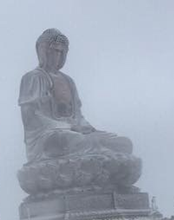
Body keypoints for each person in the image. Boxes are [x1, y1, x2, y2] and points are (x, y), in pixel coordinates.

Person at [19, 29, 133, 163]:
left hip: (76, 133)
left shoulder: (68, 81)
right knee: (65, 141)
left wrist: (86, 127)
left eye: (62, 52)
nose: (58, 56)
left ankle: (96, 151)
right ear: (43, 51)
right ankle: (94, 153)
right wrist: (67, 127)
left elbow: (78, 116)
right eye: (55, 51)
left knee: (123, 143)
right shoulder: (34, 78)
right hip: (48, 136)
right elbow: (31, 117)